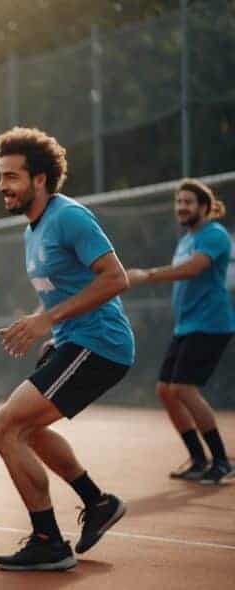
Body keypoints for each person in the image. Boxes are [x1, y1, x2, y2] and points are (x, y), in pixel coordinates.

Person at [0, 127, 132, 571]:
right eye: (1, 176)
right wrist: (43, 322)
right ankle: (98, 502)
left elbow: (115, 278)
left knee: (3, 429)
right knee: (23, 430)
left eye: (12, 176)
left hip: (99, 344)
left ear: (40, 180)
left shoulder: (70, 217)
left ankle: (48, 540)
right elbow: (63, 288)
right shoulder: (34, 230)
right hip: (72, 342)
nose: (2, 186)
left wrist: (46, 320)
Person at [126, 179, 233, 484]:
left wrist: (147, 275)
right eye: (178, 202)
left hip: (211, 324)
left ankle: (222, 461)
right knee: (165, 390)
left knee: (183, 389)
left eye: (188, 202)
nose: (181, 207)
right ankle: (199, 459)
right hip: (187, 325)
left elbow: (193, 269)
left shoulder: (214, 234)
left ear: (204, 206)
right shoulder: (186, 239)